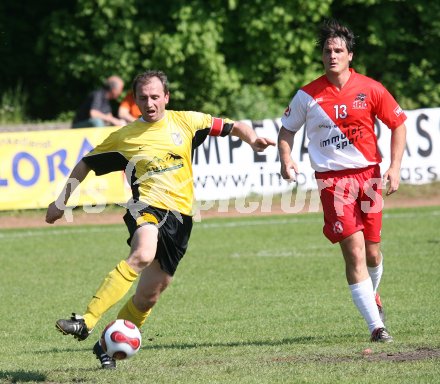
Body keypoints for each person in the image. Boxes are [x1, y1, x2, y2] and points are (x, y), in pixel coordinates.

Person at [46, 69, 275, 369]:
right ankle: (86, 320)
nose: (150, 103)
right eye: (143, 98)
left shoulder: (188, 122)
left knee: (149, 297)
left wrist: (253, 139)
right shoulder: (124, 137)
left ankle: (104, 346)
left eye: (155, 97)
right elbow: (85, 163)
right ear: (135, 100)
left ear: (166, 97)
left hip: (181, 219)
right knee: (142, 253)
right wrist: (61, 201)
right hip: (146, 207)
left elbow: (234, 126)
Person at [278, 20, 407, 343]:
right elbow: (287, 130)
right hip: (333, 184)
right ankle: (377, 327)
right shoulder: (307, 95)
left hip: (370, 177)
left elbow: (398, 123)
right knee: (354, 250)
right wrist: (286, 158)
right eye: (327, 51)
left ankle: (372, 298)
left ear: (350, 55)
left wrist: (395, 167)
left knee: (373, 253)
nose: (332, 55)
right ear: (322, 57)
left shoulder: (371, 88)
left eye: (338, 50)